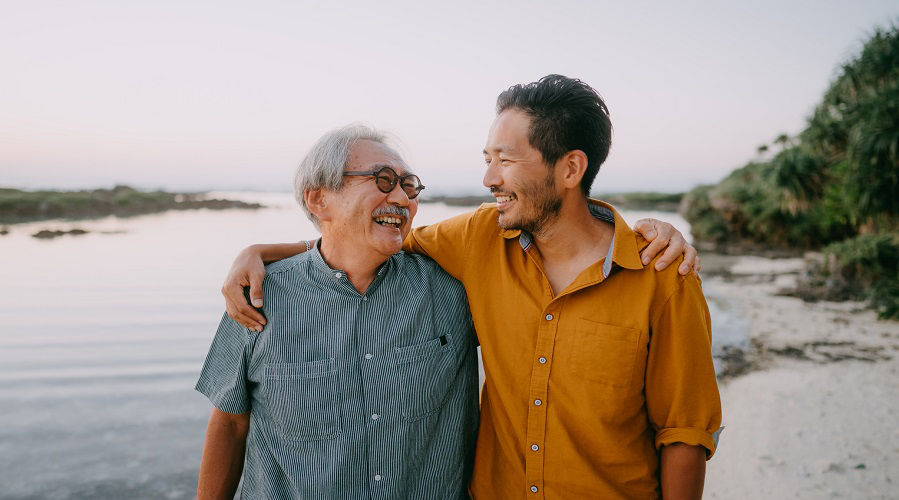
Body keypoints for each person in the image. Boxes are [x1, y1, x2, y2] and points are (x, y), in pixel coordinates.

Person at [224, 75, 721, 498]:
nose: (488, 177)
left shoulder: (663, 277)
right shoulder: (479, 237)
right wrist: (265, 253)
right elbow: (371, 237)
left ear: (570, 168)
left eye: (505, 160)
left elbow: (684, 434)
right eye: (487, 158)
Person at [196, 125, 479, 499]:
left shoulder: (454, 290)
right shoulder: (258, 297)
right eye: (383, 180)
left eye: (409, 185)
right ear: (319, 200)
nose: (402, 197)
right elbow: (230, 424)